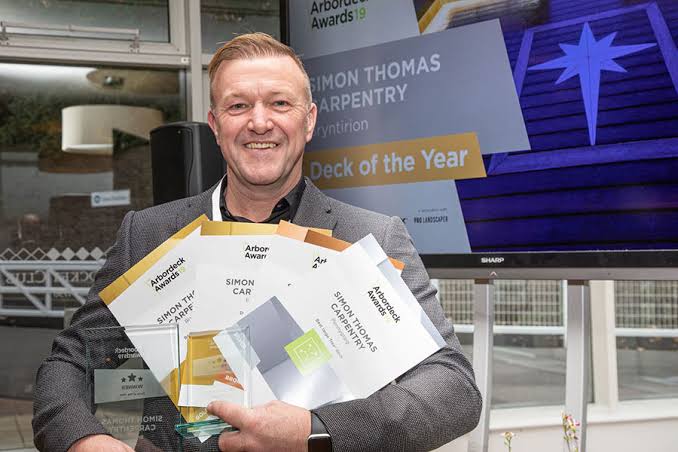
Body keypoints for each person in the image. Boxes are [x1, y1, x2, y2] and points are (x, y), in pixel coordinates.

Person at [32, 32, 481, 452]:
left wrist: (315, 431)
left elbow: (453, 389)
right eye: (238, 106)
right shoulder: (149, 234)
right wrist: (83, 440)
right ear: (215, 124)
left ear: (309, 120)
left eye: (279, 103)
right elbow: (69, 363)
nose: (259, 122)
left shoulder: (373, 237)